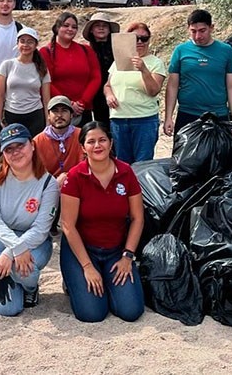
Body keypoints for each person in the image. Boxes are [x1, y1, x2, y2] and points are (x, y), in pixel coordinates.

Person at [59, 121, 145, 323]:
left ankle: (106, 281)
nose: (97, 146)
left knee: (131, 312)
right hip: (82, 250)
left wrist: (127, 257)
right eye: (91, 142)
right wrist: (87, 267)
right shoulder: (75, 176)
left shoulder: (126, 172)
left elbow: (137, 218)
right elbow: (67, 225)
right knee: (92, 314)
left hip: (116, 250)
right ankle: (74, 280)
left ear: (111, 142)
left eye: (102, 140)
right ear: (83, 148)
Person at [0, 123, 57, 315]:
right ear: (3, 153)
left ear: (32, 145)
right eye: (8, 149)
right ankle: (10, 283)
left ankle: (31, 289)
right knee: (7, 309)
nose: (15, 152)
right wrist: (13, 248)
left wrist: (10, 253)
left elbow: (41, 229)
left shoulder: (48, 183)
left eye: (20, 145)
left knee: (26, 272)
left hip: (34, 243)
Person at [163, 9, 232, 137]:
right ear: (188, 29)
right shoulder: (180, 51)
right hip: (187, 115)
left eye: (202, 31)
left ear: (211, 28)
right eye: (193, 31)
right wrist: (168, 117)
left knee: (218, 157)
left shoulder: (226, 51)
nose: (198, 36)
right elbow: (172, 86)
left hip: (217, 115)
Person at [103, 22, 167, 163]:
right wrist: (109, 95)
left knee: (142, 164)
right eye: (136, 38)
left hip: (143, 119)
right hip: (119, 119)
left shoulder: (155, 63)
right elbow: (107, 85)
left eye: (144, 39)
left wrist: (144, 69)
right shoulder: (118, 62)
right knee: (122, 163)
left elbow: (153, 91)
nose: (140, 42)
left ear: (149, 40)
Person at [39, 12, 101, 126]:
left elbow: (96, 77)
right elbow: (46, 82)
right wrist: (68, 103)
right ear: (57, 27)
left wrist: (82, 102)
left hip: (83, 109)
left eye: (74, 27)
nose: (70, 29)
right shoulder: (45, 52)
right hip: (58, 110)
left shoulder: (86, 50)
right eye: (66, 25)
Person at [0, 27, 51, 137]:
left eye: (30, 42)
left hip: (35, 115)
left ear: (35, 45)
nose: (26, 45)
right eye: (22, 41)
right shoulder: (7, 65)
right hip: (12, 115)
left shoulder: (42, 68)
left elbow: (46, 100)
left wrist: (48, 121)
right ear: (17, 43)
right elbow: (0, 95)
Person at [33, 95, 84, 185]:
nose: (59, 115)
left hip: (78, 183)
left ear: (71, 115)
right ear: (48, 115)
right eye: (55, 111)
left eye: (64, 111)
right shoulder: (37, 141)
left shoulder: (82, 135)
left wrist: (69, 177)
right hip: (48, 186)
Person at [82, 12, 119, 124]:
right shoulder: (85, 51)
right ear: (91, 30)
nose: (101, 28)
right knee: (101, 126)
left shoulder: (118, 49)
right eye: (97, 25)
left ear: (109, 30)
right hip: (96, 95)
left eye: (105, 26)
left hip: (117, 91)